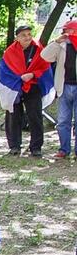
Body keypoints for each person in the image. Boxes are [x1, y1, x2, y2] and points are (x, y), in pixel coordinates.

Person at [0, 25, 51, 156]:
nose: (27, 37)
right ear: (17, 38)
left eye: (29, 34)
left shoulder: (38, 49)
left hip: (33, 86)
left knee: (35, 116)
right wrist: (17, 78)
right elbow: (5, 70)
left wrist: (33, 74)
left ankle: (36, 147)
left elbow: (45, 67)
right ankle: (14, 146)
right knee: (13, 115)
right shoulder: (10, 51)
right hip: (15, 87)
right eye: (23, 35)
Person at [40, 19, 77, 159]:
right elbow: (45, 56)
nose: (65, 33)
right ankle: (64, 149)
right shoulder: (61, 45)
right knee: (62, 121)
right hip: (64, 86)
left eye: (68, 30)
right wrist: (56, 42)